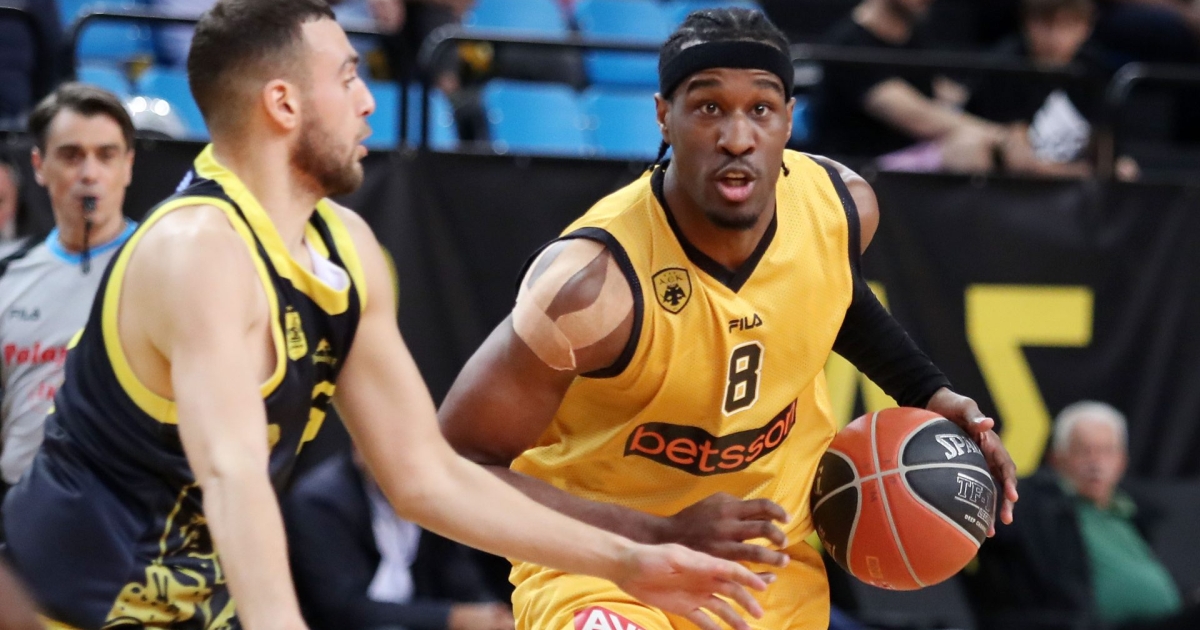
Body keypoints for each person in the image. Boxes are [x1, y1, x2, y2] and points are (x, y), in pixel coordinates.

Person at [1, 2, 769, 629]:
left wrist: (628, 561)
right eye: (348, 76)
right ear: (283, 104)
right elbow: (231, 476)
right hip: (56, 608)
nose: (369, 100)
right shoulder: (198, 248)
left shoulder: (348, 248)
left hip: (188, 608)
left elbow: (424, 477)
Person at [439, 8, 1018, 630]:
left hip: (766, 575)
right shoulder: (591, 289)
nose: (737, 137)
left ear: (789, 119)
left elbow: (831, 292)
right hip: (606, 576)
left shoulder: (840, 207)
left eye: (760, 109)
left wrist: (927, 390)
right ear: (664, 115)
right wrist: (657, 533)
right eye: (709, 107)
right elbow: (454, 468)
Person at [0, 83, 138, 505]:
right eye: (71, 155)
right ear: (39, 165)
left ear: (129, 166)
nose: (89, 173)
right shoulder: (9, 276)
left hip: (127, 510)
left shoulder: (163, 268)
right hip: (18, 506)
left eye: (106, 155)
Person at [967, 401, 1200, 630]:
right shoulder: (1035, 506)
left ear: (1122, 461)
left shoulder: (1135, 511)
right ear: (1056, 458)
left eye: (1106, 451)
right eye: (1084, 451)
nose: (1096, 462)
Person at [285, 451, 514, 630]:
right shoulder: (320, 503)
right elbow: (341, 607)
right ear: (358, 448)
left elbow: (457, 574)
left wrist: (491, 614)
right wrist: (452, 617)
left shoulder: (429, 497)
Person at [811, 0, 1008, 172]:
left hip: (912, 156)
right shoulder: (848, 45)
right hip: (862, 171)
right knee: (969, 148)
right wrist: (999, 135)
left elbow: (941, 90)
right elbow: (918, 117)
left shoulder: (913, 35)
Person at [967, 0, 1109, 178]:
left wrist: (1113, 165)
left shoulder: (1092, 70)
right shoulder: (1006, 68)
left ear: (1086, 28)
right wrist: (1072, 173)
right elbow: (1016, 156)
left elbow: (1104, 143)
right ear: (1026, 23)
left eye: (1068, 25)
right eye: (1045, 24)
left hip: (1078, 185)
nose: (1055, 37)